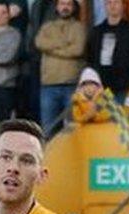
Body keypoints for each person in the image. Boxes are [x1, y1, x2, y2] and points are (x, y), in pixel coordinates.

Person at [35, 0, 87, 131]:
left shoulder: (79, 28)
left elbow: (78, 50)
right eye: (62, 4)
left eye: (69, 4)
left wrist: (51, 49)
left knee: (72, 129)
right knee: (48, 129)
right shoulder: (47, 27)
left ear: (74, 8)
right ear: (57, 7)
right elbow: (40, 43)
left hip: (72, 85)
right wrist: (66, 43)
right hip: (48, 85)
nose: (65, 7)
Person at [86, 0, 129, 100]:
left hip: (125, 88)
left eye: (116, 2)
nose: (112, 6)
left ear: (123, 6)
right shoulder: (96, 31)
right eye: (109, 2)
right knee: (102, 116)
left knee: (122, 116)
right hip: (102, 88)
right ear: (105, 6)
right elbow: (90, 59)